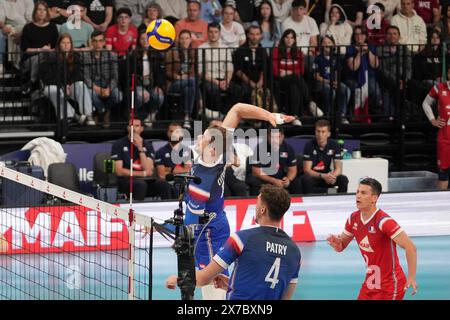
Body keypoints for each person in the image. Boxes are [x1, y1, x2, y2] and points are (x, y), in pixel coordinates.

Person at [166, 102, 295, 299]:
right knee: (213, 283)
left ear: (210, 149)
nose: (199, 137)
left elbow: (190, 225)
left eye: (204, 137)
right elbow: (237, 109)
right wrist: (270, 116)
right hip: (215, 223)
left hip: (207, 233)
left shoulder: (202, 180)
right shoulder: (219, 150)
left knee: (210, 285)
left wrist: (162, 228)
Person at [166, 184, 301, 300]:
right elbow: (284, 296)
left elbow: (203, 278)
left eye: (257, 203)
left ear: (263, 209)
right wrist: (232, 285)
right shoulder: (295, 252)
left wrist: (177, 279)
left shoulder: (242, 239)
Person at [327, 177, 418, 300]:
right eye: (357, 192)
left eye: (363, 193)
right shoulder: (353, 218)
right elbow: (341, 246)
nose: (358, 196)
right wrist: (336, 243)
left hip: (390, 284)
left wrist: (411, 277)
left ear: (374, 198)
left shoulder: (383, 221)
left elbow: (410, 247)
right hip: (371, 281)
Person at [111, 116, 174, 201]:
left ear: (142, 128)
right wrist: (143, 174)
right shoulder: (118, 144)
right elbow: (119, 171)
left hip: (146, 181)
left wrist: (140, 148)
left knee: (164, 184)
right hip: (126, 181)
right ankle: (136, 212)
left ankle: (168, 210)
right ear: (128, 128)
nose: (133, 128)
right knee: (141, 184)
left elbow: (148, 169)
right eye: (131, 125)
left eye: (136, 126)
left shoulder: (147, 145)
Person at [40, 33, 95, 125]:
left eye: (68, 43)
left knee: (80, 84)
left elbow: (78, 76)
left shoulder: (76, 57)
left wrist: (68, 85)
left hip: (69, 87)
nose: (66, 45)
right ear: (59, 44)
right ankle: (71, 115)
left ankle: (88, 115)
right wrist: (62, 86)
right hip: (52, 86)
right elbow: (48, 78)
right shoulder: (51, 57)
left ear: (71, 45)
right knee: (54, 90)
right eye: (63, 43)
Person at [272, 29, 318, 122]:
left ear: (294, 40)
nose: (289, 40)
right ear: (283, 39)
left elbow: (301, 71)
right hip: (281, 81)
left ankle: (294, 117)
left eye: (292, 38)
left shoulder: (298, 52)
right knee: (296, 78)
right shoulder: (276, 51)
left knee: (294, 86)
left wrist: (287, 72)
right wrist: (292, 72)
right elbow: (276, 72)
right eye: (287, 37)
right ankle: (310, 102)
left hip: (293, 80)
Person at [198, 22, 241, 117]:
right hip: (208, 80)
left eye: (216, 32)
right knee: (213, 89)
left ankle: (224, 114)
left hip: (223, 79)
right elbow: (201, 72)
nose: (213, 34)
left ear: (219, 33)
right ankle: (219, 115)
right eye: (211, 32)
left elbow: (229, 68)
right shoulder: (201, 48)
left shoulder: (225, 48)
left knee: (237, 89)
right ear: (207, 33)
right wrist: (216, 82)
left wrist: (227, 80)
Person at [82, 30, 121, 128]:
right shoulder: (85, 56)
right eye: (95, 41)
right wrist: (96, 88)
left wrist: (109, 89)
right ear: (91, 42)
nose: (97, 44)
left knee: (118, 96)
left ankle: (104, 111)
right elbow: (86, 78)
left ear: (104, 42)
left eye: (100, 41)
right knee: (91, 94)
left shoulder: (111, 55)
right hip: (94, 85)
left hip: (107, 83)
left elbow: (115, 77)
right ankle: (102, 111)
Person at [249, 126, 303, 195]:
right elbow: (256, 172)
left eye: (278, 137)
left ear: (282, 137)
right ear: (268, 137)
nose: (274, 140)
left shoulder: (288, 148)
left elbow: (292, 170)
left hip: (281, 179)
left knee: (296, 182)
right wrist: (273, 181)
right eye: (272, 137)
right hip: (265, 179)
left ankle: (297, 204)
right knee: (254, 181)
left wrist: (288, 180)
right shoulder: (259, 148)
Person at [20, 1, 59, 94]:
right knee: (40, 57)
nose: (42, 12)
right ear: (35, 12)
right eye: (39, 10)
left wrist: (48, 50)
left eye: (44, 10)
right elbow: (25, 49)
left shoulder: (52, 27)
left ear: (47, 12)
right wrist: (40, 49)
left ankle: (32, 82)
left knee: (45, 57)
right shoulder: (28, 27)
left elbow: (57, 47)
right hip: (30, 59)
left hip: (49, 57)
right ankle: (36, 83)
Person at [301, 119, 348, 194]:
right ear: (315, 132)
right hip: (315, 176)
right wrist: (322, 176)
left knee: (343, 179)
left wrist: (331, 176)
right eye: (318, 131)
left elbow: (338, 169)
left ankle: (341, 201)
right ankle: (311, 202)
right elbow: (307, 170)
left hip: (328, 176)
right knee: (306, 179)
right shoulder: (309, 145)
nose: (320, 135)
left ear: (328, 134)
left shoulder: (334, 145)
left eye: (323, 132)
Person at [422, 66, 450, 190]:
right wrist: (433, 120)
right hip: (444, 137)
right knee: (443, 174)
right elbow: (426, 103)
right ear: (448, 73)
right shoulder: (439, 87)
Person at [345, 25, 381, 122]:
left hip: (369, 76)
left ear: (365, 36)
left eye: (362, 34)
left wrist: (368, 51)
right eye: (356, 34)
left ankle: (373, 115)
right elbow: (353, 67)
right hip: (353, 78)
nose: (359, 36)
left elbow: (375, 65)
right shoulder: (350, 48)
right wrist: (359, 53)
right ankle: (356, 117)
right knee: (358, 90)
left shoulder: (371, 47)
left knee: (375, 91)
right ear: (353, 36)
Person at [376, 25, 412, 119]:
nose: (392, 36)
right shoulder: (380, 49)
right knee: (391, 87)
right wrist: (396, 80)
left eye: (395, 34)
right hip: (387, 79)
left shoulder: (405, 49)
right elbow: (382, 69)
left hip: (403, 79)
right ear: (386, 36)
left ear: (399, 36)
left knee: (415, 87)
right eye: (389, 34)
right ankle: (394, 117)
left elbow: (408, 68)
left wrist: (405, 80)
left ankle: (409, 115)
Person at [313, 35, 350, 123]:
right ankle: (329, 115)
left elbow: (337, 72)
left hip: (332, 82)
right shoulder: (318, 58)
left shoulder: (336, 58)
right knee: (330, 91)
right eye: (324, 43)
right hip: (321, 83)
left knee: (345, 89)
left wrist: (336, 82)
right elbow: (316, 76)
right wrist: (329, 82)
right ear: (321, 45)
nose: (327, 45)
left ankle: (342, 115)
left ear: (333, 44)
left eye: (329, 43)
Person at [132, 30, 165, 128]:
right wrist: (139, 86)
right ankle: (137, 117)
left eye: (147, 39)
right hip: (139, 84)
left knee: (159, 96)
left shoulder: (157, 54)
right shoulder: (134, 55)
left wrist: (158, 86)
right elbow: (131, 73)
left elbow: (160, 73)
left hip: (152, 84)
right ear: (139, 41)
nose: (145, 41)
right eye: (142, 39)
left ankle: (152, 115)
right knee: (140, 95)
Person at [165, 29, 198, 129]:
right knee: (192, 81)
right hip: (174, 84)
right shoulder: (172, 52)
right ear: (179, 40)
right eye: (182, 38)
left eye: (187, 38)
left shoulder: (193, 52)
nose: (185, 41)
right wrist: (178, 77)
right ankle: (198, 108)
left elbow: (194, 71)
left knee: (189, 89)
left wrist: (187, 77)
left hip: (188, 83)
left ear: (190, 40)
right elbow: (167, 72)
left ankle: (186, 117)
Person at [233, 25, 270, 108]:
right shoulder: (240, 50)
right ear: (248, 35)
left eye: (257, 34)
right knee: (245, 90)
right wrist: (251, 83)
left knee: (273, 87)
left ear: (261, 35)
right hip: (244, 81)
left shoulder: (263, 50)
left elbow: (264, 69)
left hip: (260, 81)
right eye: (252, 34)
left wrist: (260, 82)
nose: (254, 37)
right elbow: (238, 71)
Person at [0, 0, 33, 70]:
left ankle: (17, 63)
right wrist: (3, 27)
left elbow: (31, 19)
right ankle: (2, 64)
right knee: (1, 35)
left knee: (26, 31)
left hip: (25, 26)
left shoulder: (28, 1)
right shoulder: (2, 1)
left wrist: (22, 33)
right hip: (7, 26)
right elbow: (1, 19)